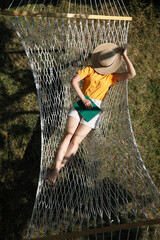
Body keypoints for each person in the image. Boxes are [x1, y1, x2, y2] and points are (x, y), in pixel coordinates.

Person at [45, 43, 136, 184]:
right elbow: (74, 81)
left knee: (76, 140)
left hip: (94, 108)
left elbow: (132, 74)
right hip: (82, 101)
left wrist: (124, 56)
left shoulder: (111, 77)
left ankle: (57, 170)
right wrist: (83, 99)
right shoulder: (89, 70)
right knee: (68, 135)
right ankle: (55, 169)